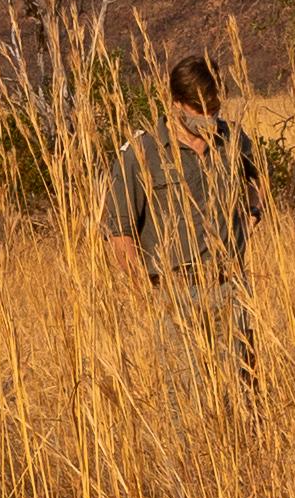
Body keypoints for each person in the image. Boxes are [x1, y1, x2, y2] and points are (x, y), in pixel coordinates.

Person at [100, 56, 269, 385]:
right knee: (186, 400)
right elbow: (119, 233)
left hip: (230, 287)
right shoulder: (141, 152)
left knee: (243, 391)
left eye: (214, 107)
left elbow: (258, 178)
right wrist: (148, 295)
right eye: (198, 109)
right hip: (175, 293)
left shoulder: (234, 139)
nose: (208, 117)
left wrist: (252, 214)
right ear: (175, 103)